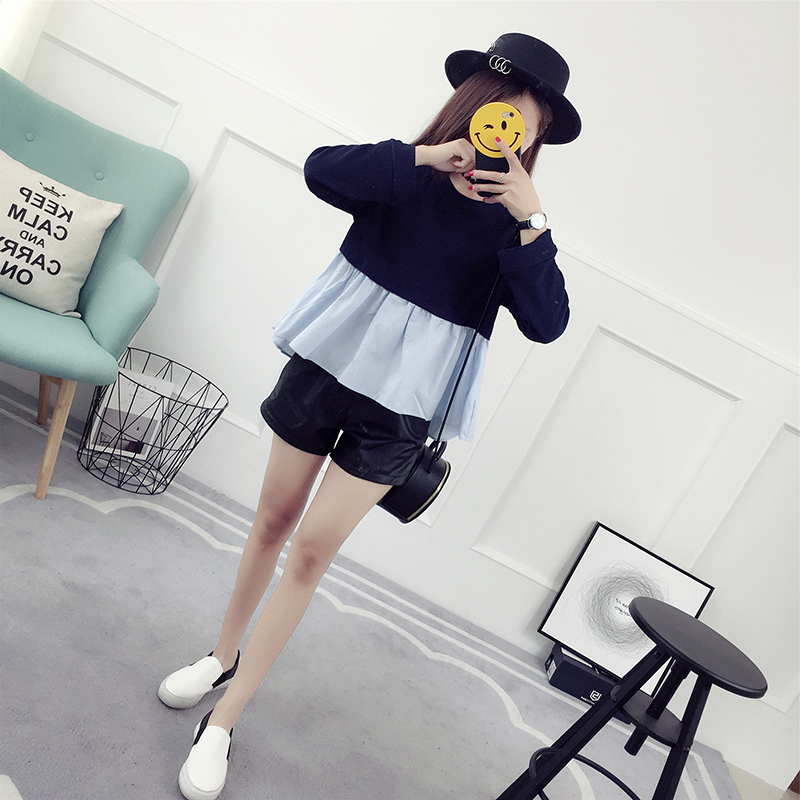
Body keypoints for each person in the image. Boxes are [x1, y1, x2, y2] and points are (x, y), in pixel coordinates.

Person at [158, 32, 581, 800]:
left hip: (401, 413)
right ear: (475, 107)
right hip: (325, 369)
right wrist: (425, 157)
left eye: (531, 129)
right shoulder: (405, 174)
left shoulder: (514, 226)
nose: (512, 136)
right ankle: (220, 657)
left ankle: (225, 717)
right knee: (271, 521)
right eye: (506, 115)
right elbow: (322, 169)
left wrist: (535, 220)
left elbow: (548, 323)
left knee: (310, 554)